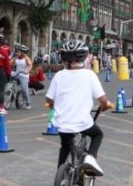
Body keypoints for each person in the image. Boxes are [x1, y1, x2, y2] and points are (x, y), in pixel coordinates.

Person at [46, 40, 113, 176]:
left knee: (65, 145)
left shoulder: (59, 76)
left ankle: (61, 175)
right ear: (84, 57)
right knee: (97, 134)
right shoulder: (89, 75)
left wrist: (53, 105)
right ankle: (91, 158)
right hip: (82, 122)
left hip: (62, 122)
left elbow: (49, 100)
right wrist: (105, 106)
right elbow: (102, 100)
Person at [13, 45, 33, 109]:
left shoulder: (26, 58)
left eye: (18, 52)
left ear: (22, 53)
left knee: (24, 90)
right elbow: (9, 63)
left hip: (24, 76)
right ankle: (10, 92)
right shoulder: (16, 58)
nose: (17, 53)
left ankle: (28, 103)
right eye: (16, 52)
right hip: (17, 74)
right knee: (8, 81)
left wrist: (27, 71)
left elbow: (30, 65)